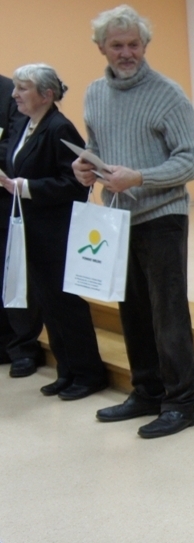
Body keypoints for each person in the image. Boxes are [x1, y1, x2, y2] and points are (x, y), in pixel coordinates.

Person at [72, 4, 194, 438]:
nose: (126, 53)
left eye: (133, 44)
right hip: (118, 218)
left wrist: (140, 177)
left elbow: (189, 162)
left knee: (168, 313)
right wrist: (85, 167)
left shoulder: (169, 95)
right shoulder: (94, 93)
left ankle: (182, 402)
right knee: (132, 310)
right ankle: (147, 391)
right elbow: (97, 145)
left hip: (163, 216)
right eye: (117, 46)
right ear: (101, 48)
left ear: (145, 45)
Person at [1, 65, 107, 396]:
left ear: (46, 95)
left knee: (66, 305)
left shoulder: (59, 127)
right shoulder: (25, 124)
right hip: (33, 230)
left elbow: (74, 184)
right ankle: (66, 370)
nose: (15, 95)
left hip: (57, 231)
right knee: (48, 304)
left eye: (23, 88)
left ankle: (88, 373)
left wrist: (24, 187)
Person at [0, 73, 44, 375]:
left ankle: (23, 347)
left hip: (7, 200)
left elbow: (15, 143)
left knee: (13, 274)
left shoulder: (9, 91)